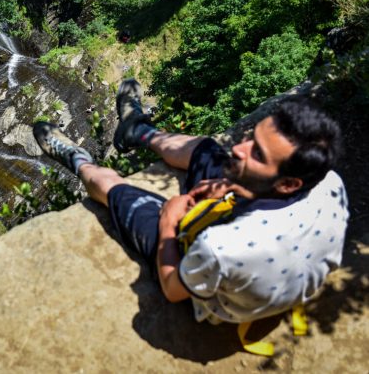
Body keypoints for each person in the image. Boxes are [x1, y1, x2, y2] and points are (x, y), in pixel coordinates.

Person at [32, 78, 347, 325]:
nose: (240, 147)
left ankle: (80, 162)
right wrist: (234, 184)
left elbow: (172, 289)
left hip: (212, 295)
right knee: (208, 150)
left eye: (258, 154)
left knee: (118, 191)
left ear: (289, 183)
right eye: (252, 137)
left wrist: (169, 224)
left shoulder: (223, 246)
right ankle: (137, 131)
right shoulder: (330, 184)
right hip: (267, 233)